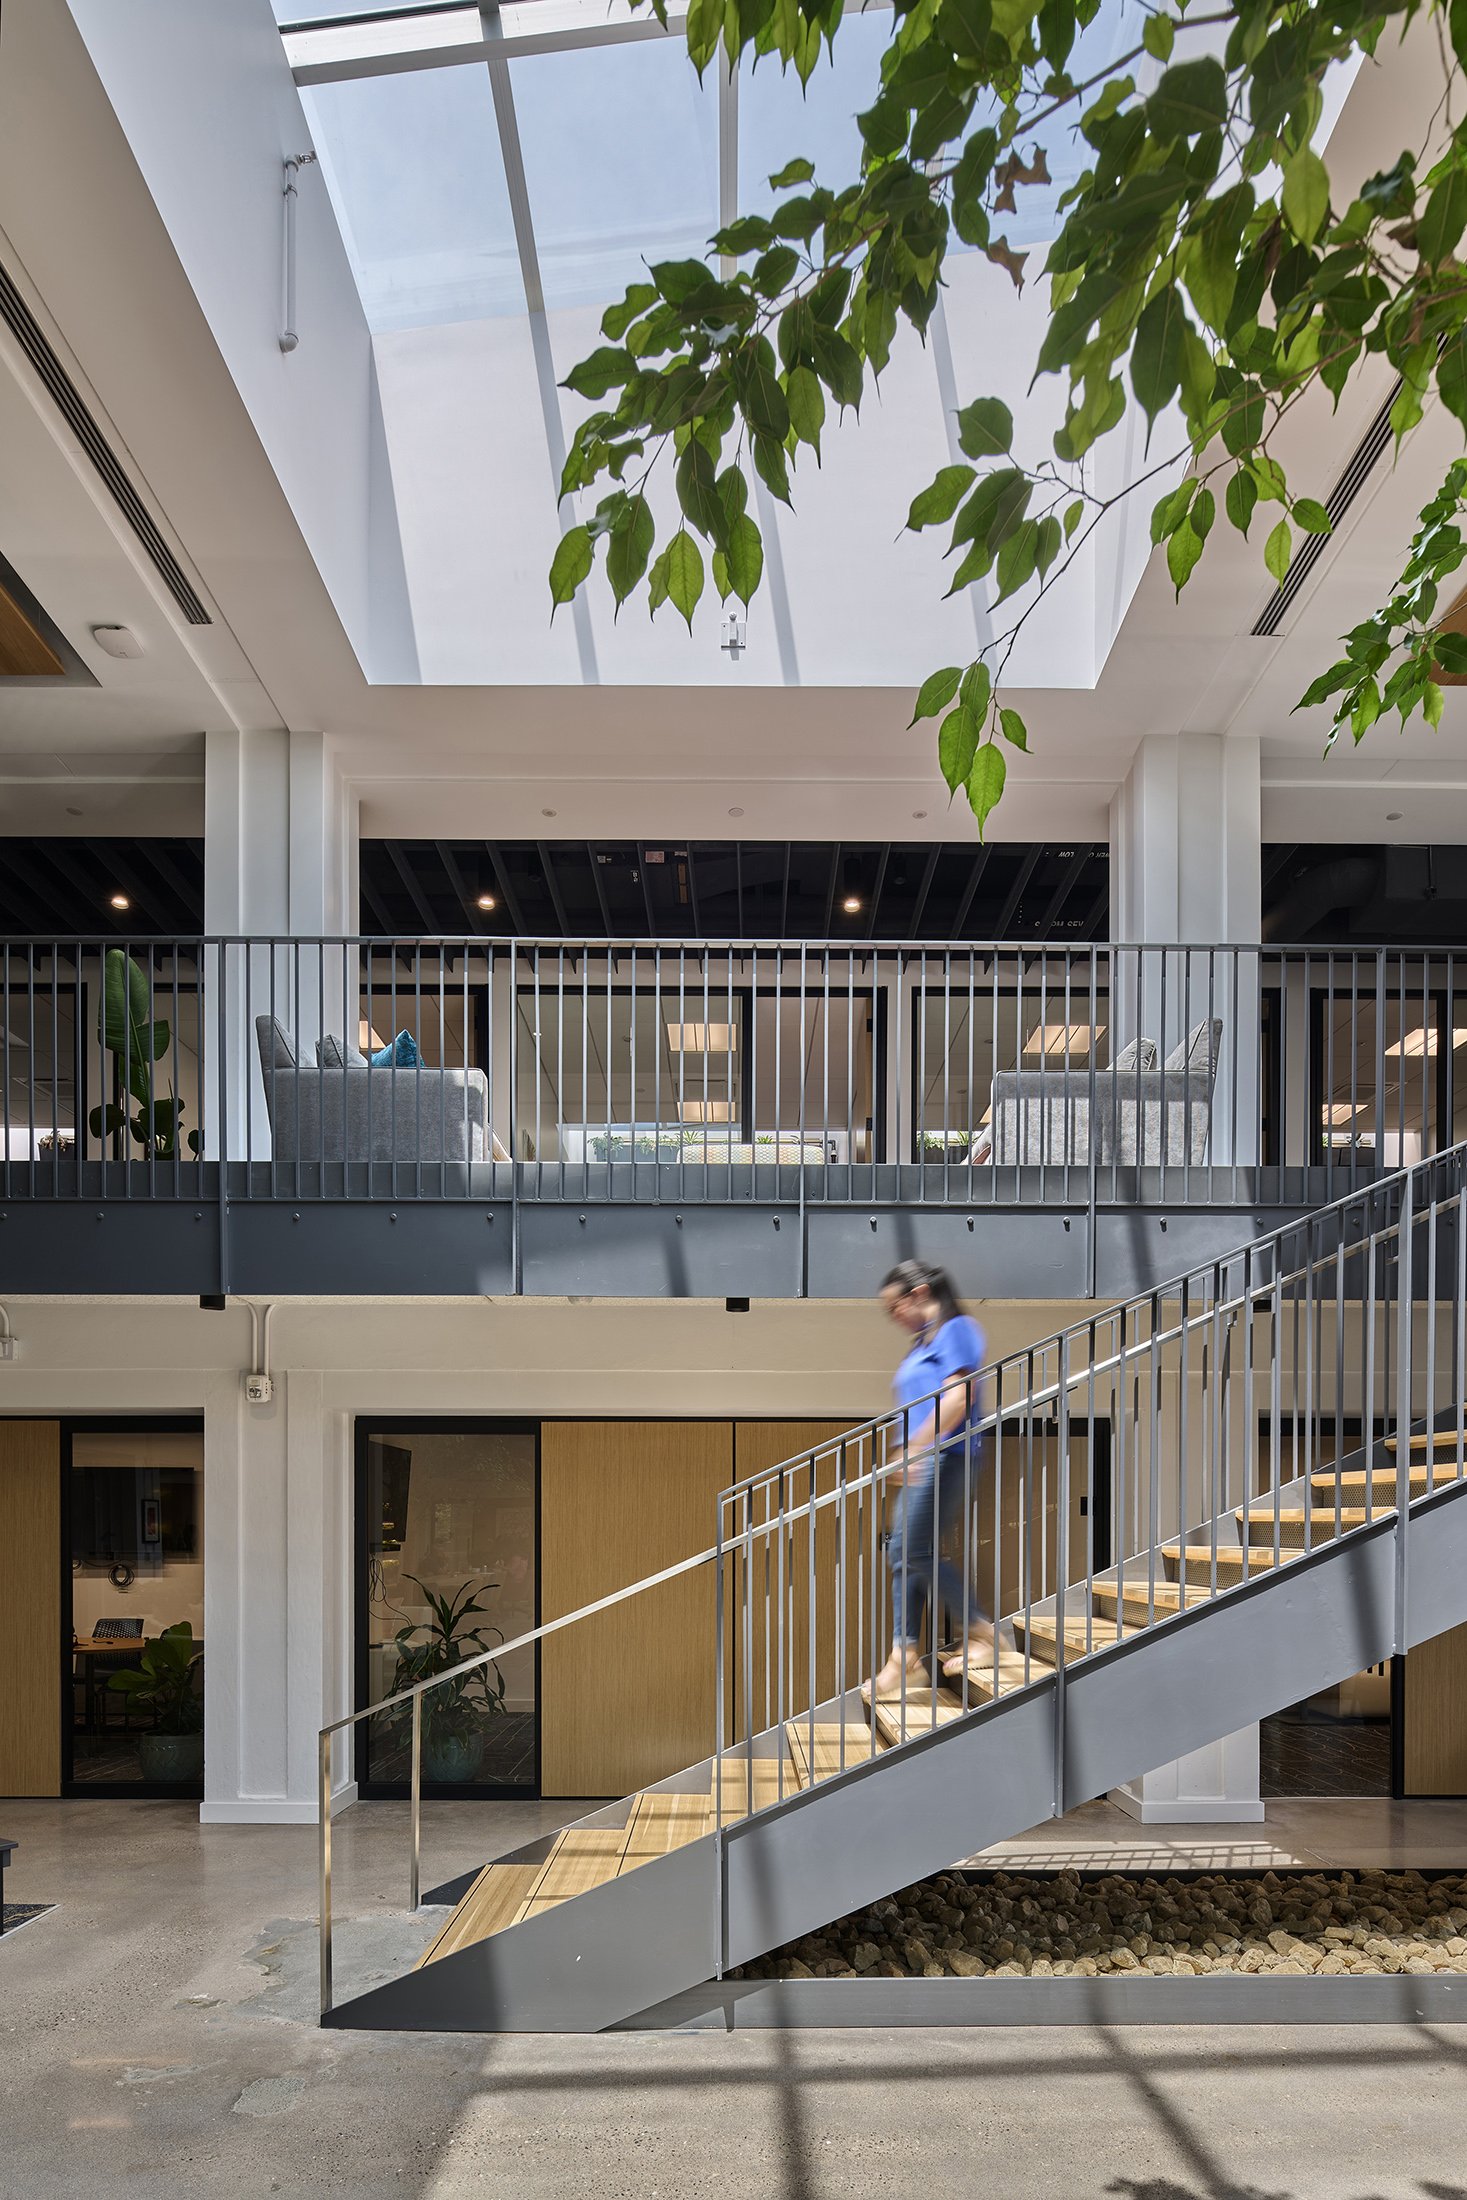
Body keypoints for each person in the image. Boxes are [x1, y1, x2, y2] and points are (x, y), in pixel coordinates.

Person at [865, 1259, 992, 1700]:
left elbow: (959, 1397)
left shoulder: (957, 1329)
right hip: (922, 1459)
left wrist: (915, 1447)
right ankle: (903, 1659)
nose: (892, 1316)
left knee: (912, 1549)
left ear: (918, 1293)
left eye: (893, 1306)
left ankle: (982, 1633)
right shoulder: (923, 1343)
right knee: (901, 1555)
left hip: (946, 1456)